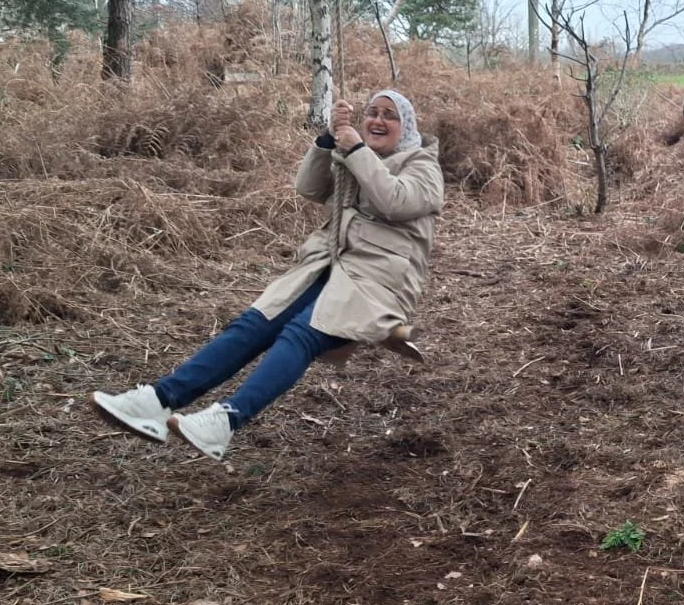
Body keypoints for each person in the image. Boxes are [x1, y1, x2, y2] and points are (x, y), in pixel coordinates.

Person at [92, 89, 444, 461]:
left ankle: (225, 422)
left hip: (380, 283)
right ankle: (159, 400)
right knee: (254, 325)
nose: (377, 120)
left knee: (301, 335)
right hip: (329, 266)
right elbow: (308, 188)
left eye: (389, 115)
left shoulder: (422, 165)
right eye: (372, 112)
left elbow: (396, 201)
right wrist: (328, 141)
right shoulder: (357, 155)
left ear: (405, 127)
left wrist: (357, 152)